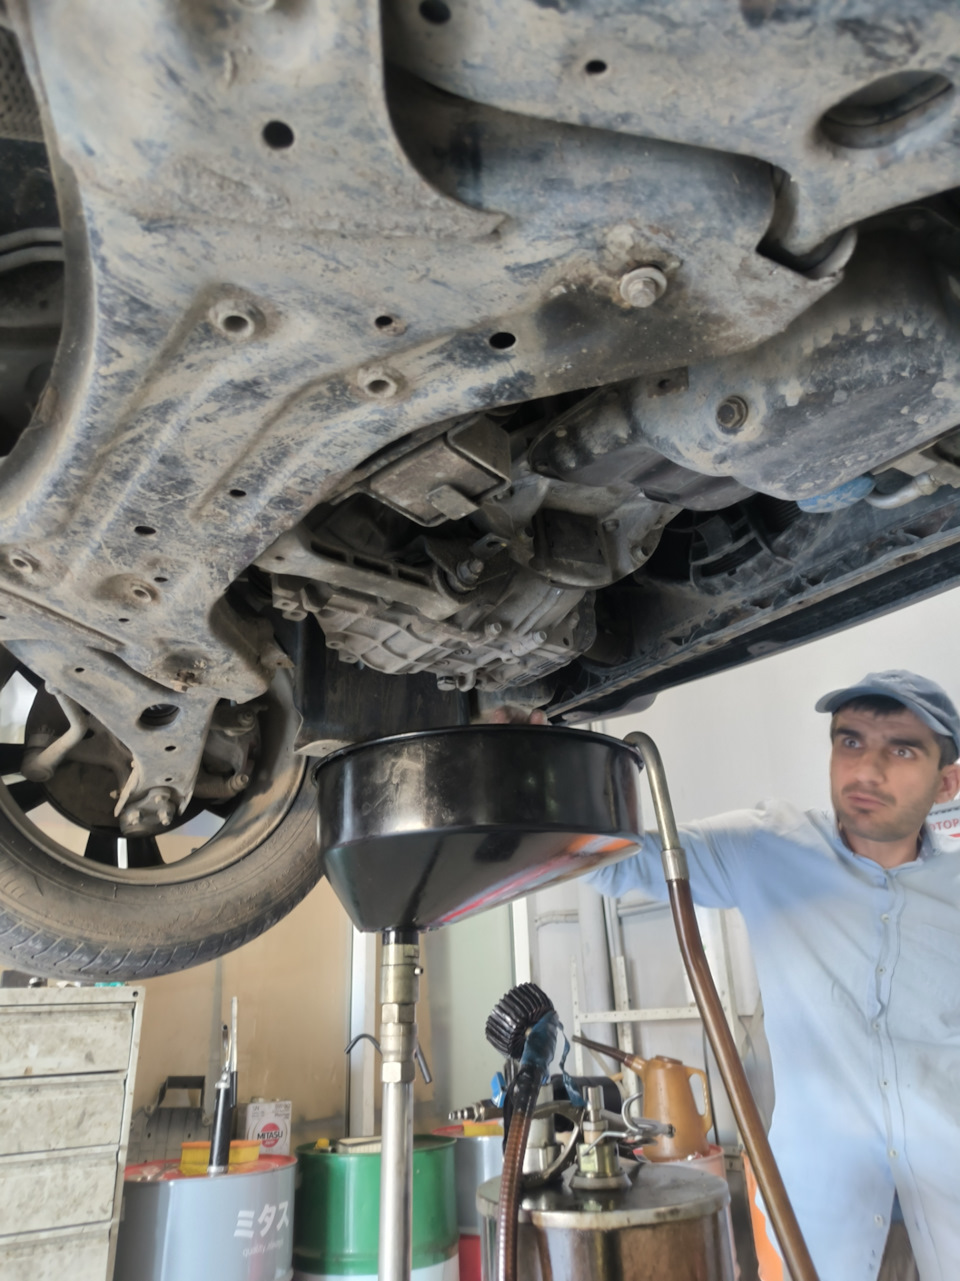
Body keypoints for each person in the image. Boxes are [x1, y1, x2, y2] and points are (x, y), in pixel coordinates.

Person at [585, 671, 960, 1281]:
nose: (867, 770)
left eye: (902, 750)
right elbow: (609, 865)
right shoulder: (771, 847)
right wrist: (533, 759)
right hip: (817, 1219)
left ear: (947, 782)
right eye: (850, 741)